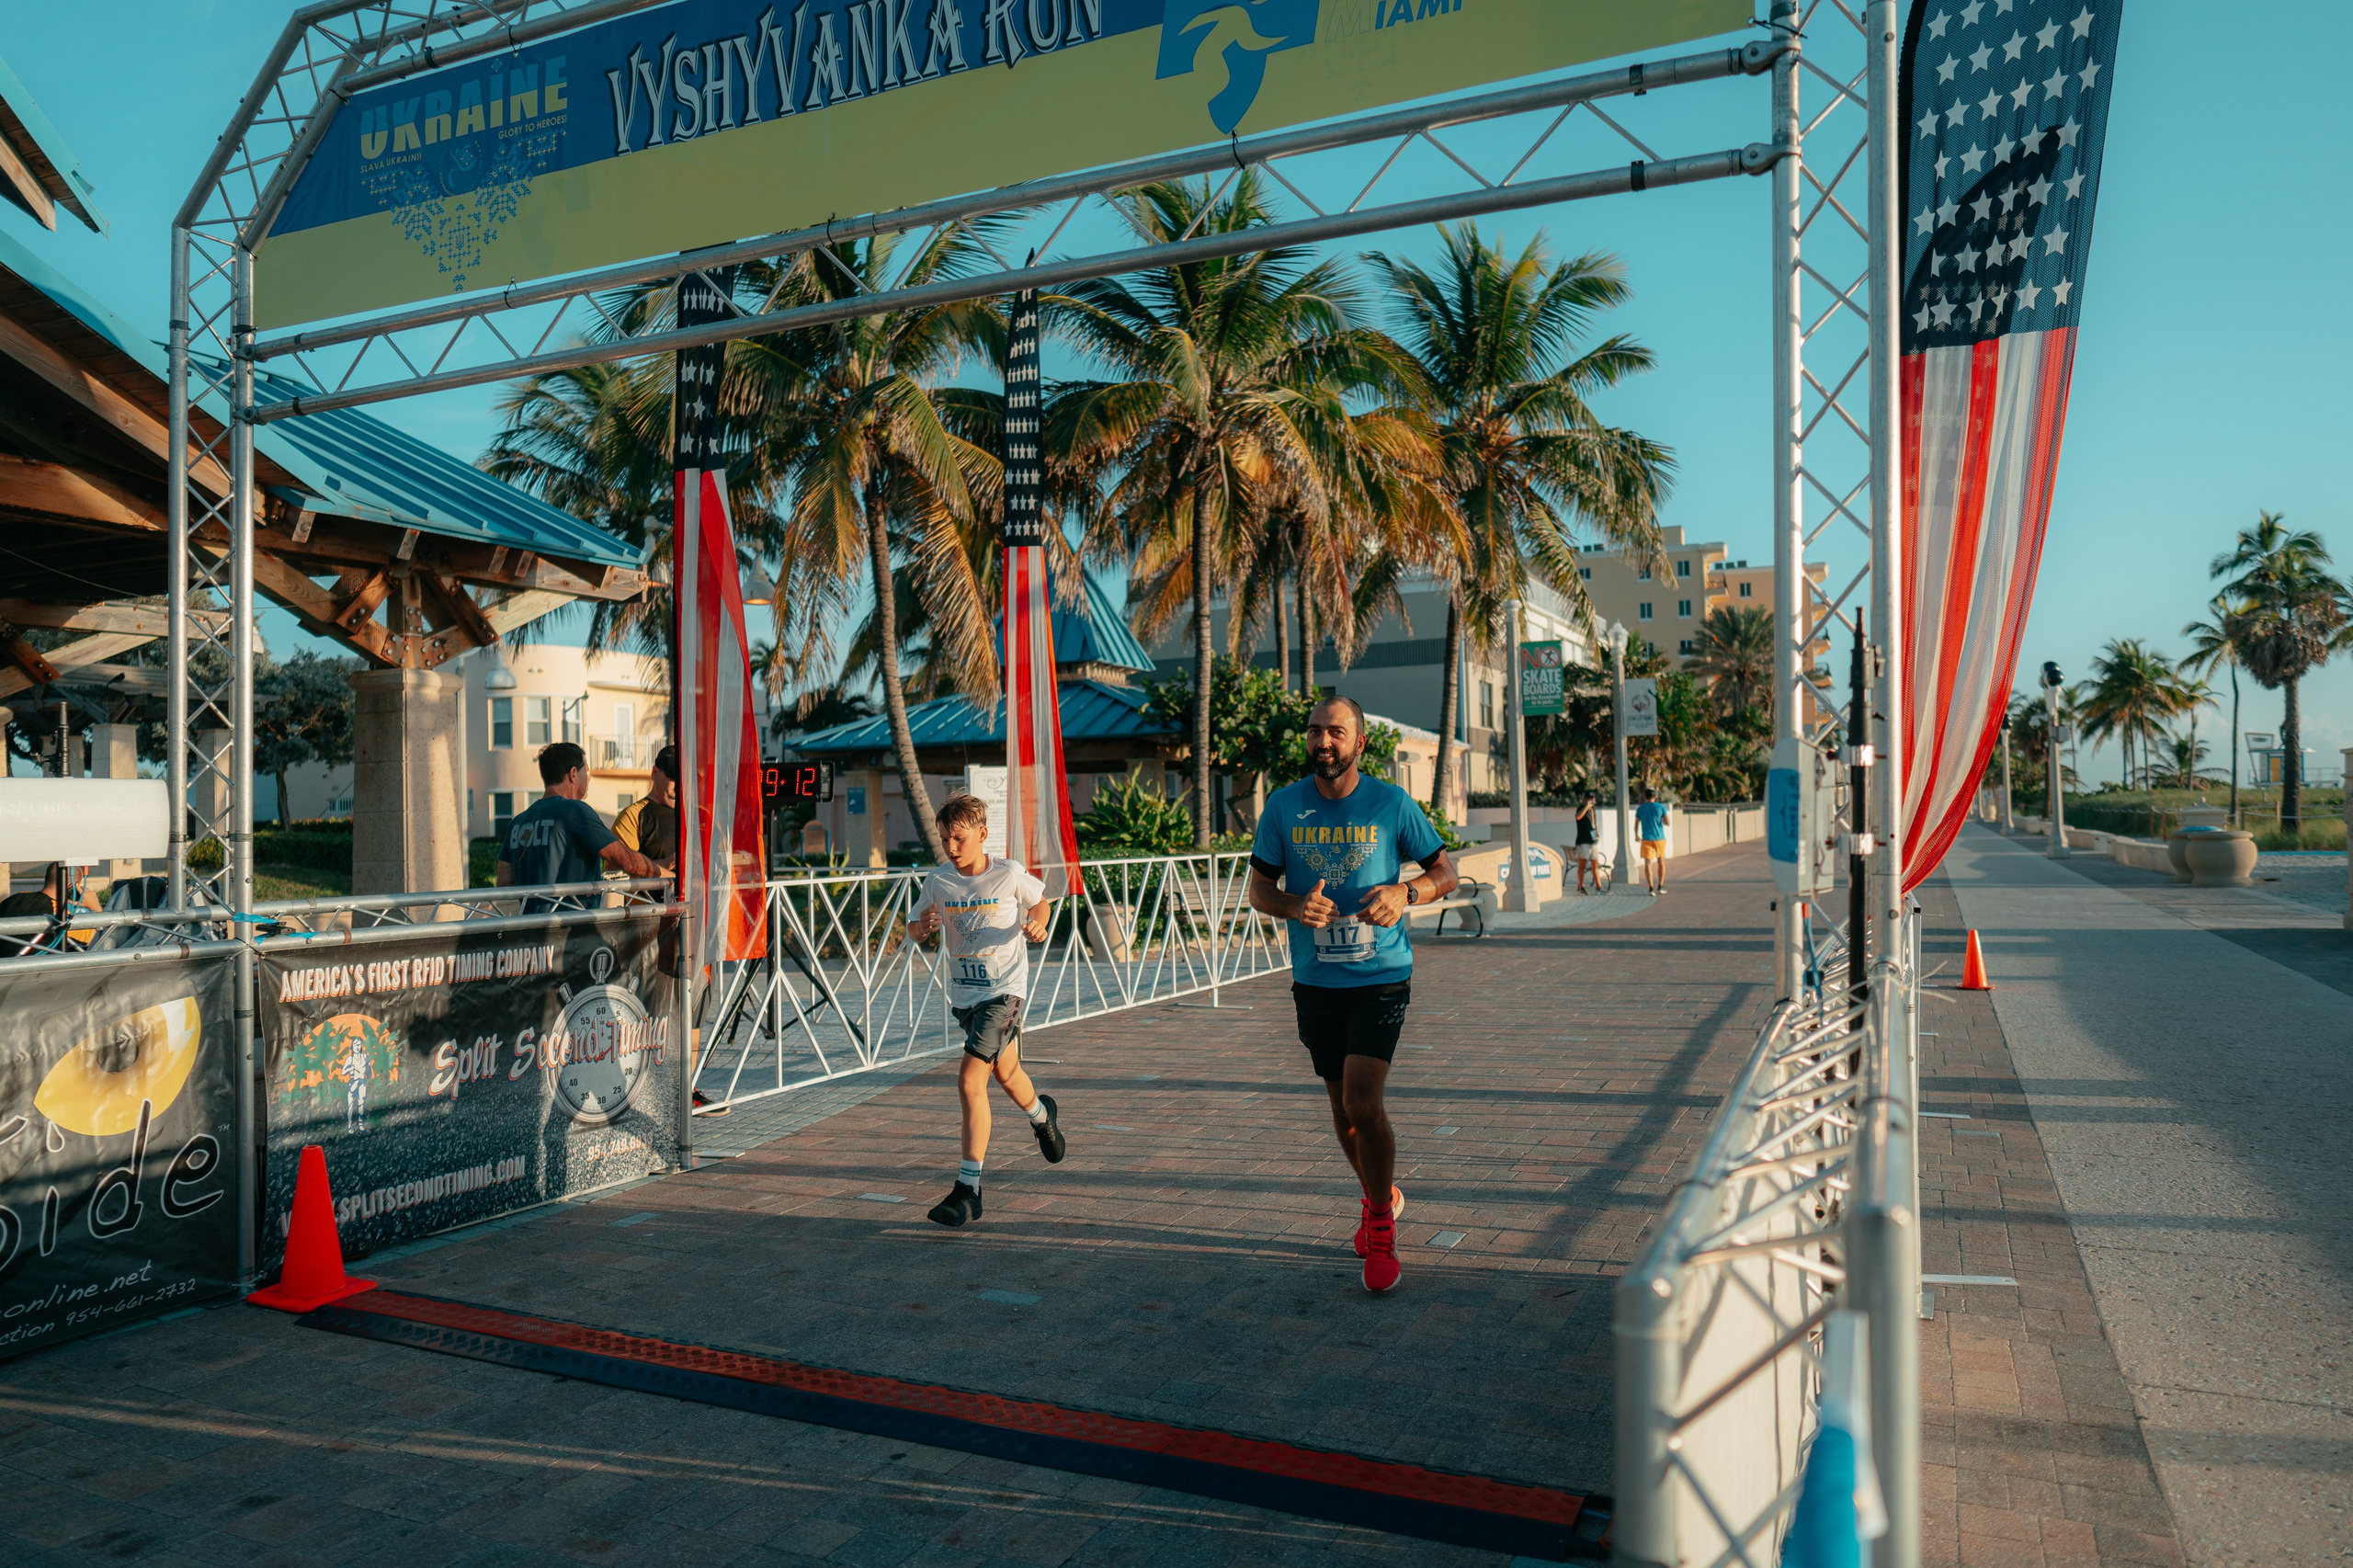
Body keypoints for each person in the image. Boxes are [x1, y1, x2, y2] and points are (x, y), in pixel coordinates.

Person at [1247, 695, 1458, 1294]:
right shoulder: (1284, 807)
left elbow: (1446, 872)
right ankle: (1379, 1195)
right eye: (1314, 731)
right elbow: (1259, 888)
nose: (1322, 742)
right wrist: (1291, 904)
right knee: (1343, 1119)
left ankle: (1382, 1228)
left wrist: (1407, 893)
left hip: (1381, 976)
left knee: (1365, 1103)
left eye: (1335, 732)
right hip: (1316, 982)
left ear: (1360, 743)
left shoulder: (1391, 804)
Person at [904, 794, 1067, 1228]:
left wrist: (1039, 922)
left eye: (958, 838)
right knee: (1006, 1073)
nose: (951, 848)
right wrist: (921, 927)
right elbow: (913, 927)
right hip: (965, 996)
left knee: (970, 1078)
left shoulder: (1007, 873)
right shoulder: (939, 881)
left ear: (982, 834)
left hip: (1005, 992)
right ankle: (1042, 1116)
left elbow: (1040, 900)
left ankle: (968, 1190)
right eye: (944, 840)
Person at [496, 742, 660, 913]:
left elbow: (504, 881)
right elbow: (628, 862)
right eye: (586, 771)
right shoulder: (575, 811)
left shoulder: (518, 822)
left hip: (531, 930)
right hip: (573, 930)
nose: (588, 778)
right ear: (573, 774)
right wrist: (668, 876)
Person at [611, 745, 679, 871]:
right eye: (673, 778)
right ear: (655, 773)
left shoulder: (700, 814)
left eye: (685, 778)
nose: (680, 785)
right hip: (652, 892)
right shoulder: (633, 816)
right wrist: (663, 866)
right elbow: (616, 874)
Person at [1634, 785, 1672, 895]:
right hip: (1659, 838)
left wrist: (1636, 834)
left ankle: (1651, 888)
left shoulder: (1641, 808)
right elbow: (1668, 822)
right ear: (1655, 796)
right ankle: (1660, 886)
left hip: (1646, 838)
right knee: (1661, 862)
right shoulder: (1660, 807)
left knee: (1648, 863)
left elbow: (1636, 822)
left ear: (1645, 797)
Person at [1572, 792, 1601, 893]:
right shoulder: (1581, 808)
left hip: (1592, 842)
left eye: (1592, 798)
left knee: (1595, 864)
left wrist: (1597, 833)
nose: (1591, 800)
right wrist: (1586, 806)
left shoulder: (1593, 810)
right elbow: (1578, 817)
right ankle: (1580, 886)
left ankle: (1599, 887)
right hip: (1583, 841)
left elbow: (1594, 823)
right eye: (1589, 798)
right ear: (1585, 799)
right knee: (1582, 865)